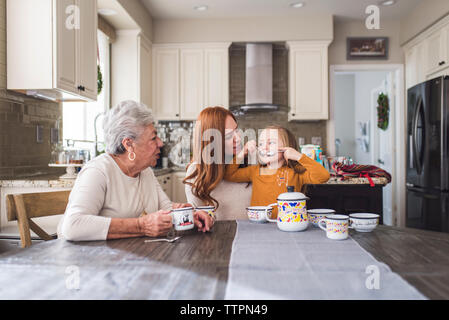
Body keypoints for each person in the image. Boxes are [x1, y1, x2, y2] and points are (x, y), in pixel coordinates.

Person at [58, 100, 213, 241]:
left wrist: (188, 215)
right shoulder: (98, 171)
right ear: (129, 144)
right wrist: (141, 226)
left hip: (131, 259)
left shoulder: (145, 171)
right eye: (153, 138)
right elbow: (72, 225)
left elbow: (165, 208)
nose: (160, 143)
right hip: (94, 264)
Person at [224, 125, 330, 218]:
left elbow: (323, 176)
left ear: (288, 147)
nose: (264, 147)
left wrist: (298, 156)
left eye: (270, 143)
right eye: (260, 144)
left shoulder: (296, 173)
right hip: (258, 225)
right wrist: (243, 152)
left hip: (288, 224)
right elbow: (229, 174)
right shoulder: (255, 171)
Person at [184, 107, 252, 220]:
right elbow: (199, 222)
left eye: (237, 130)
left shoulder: (249, 160)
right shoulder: (196, 172)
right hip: (218, 237)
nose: (238, 138)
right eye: (229, 136)